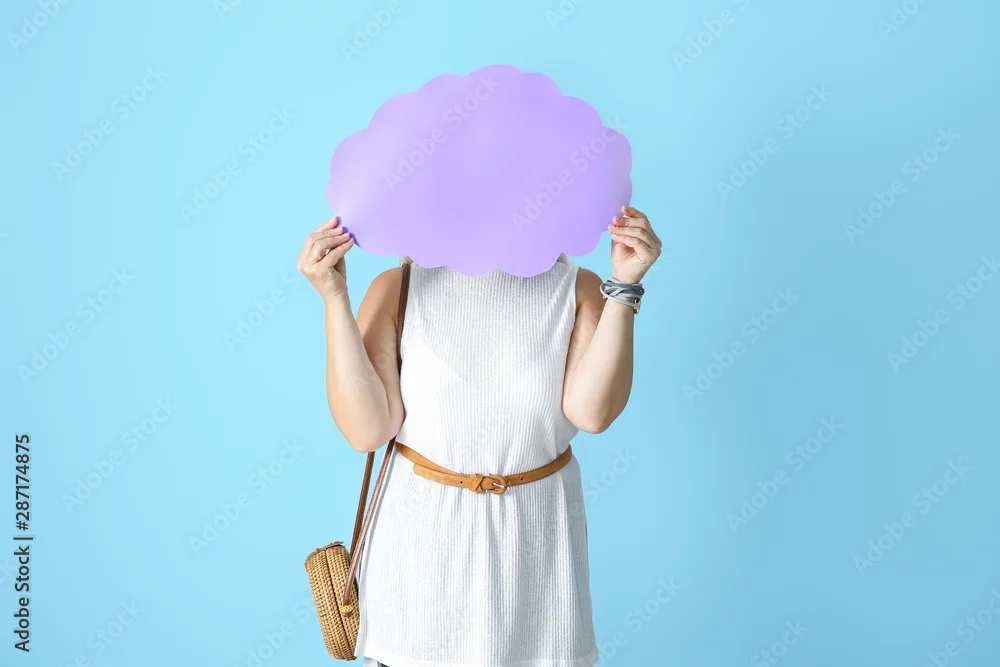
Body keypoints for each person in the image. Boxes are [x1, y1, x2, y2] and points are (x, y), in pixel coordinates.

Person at [296, 206, 662, 667]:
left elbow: (593, 413)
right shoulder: (399, 287)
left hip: (537, 561)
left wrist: (625, 285)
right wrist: (334, 298)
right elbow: (366, 430)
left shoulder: (576, 288)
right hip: (417, 567)